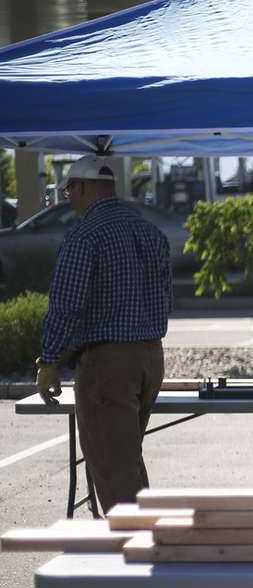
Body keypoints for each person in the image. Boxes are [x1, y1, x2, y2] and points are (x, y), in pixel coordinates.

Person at [36, 154, 171, 514]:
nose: (69, 200)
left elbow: (65, 305)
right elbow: (164, 296)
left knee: (116, 474)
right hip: (149, 356)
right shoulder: (148, 230)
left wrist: (49, 360)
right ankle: (147, 546)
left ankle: (136, 556)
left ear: (80, 187)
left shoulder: (86, 233)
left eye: (69, 192)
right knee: (126, 462)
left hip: (108, 363)